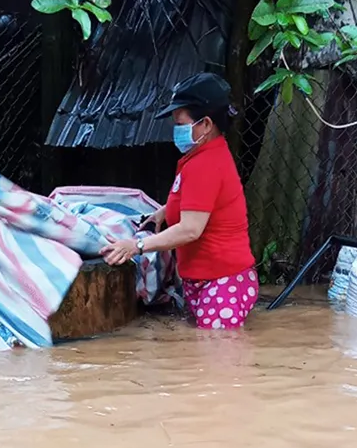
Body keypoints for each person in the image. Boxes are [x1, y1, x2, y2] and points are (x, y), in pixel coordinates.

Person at [101, 72, 258, 330]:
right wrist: (162, 213)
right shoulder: (205, 155)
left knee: (218, 361)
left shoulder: (205, 164)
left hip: (221, 282)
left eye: (180, 123)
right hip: (211, 281)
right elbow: (198, 201)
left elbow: (190, 229)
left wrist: (136, 245)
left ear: (206, 124)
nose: (176, 130)